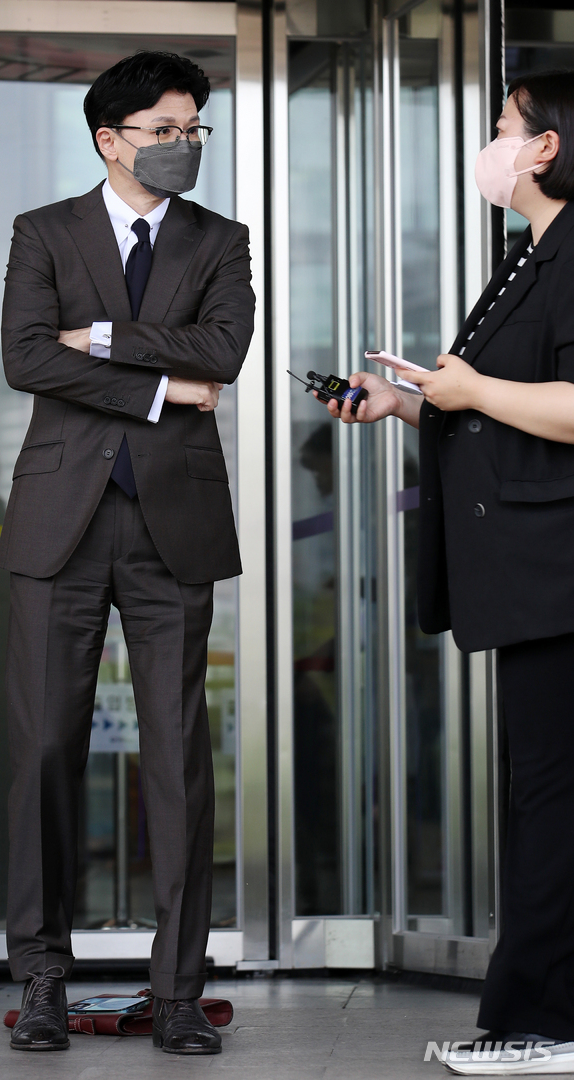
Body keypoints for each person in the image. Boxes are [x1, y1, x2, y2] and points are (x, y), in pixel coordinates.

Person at [0, 51, 255, 1055]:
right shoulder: (43, 232)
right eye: (166, 130)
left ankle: (180, 993)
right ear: (111, 139)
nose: (184, 145)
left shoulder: (219, 240)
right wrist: (161, 385)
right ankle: (43, 981)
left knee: (178, 761)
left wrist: (98, 340)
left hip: (171, 525)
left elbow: (223, 353)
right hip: (59, 523)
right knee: (45, 753)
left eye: (195, 130)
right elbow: (24, 357)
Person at [325, 70, 574, 1075]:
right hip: (525, 578)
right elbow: (486, 405)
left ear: (546, 145)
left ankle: (543, 1027)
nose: (492, 141)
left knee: (550, 802)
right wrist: (405, 403)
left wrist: (471, 387)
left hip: (558, 574)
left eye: (504, 126)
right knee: (540, 796)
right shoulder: (529, 256)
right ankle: (536, 1020)